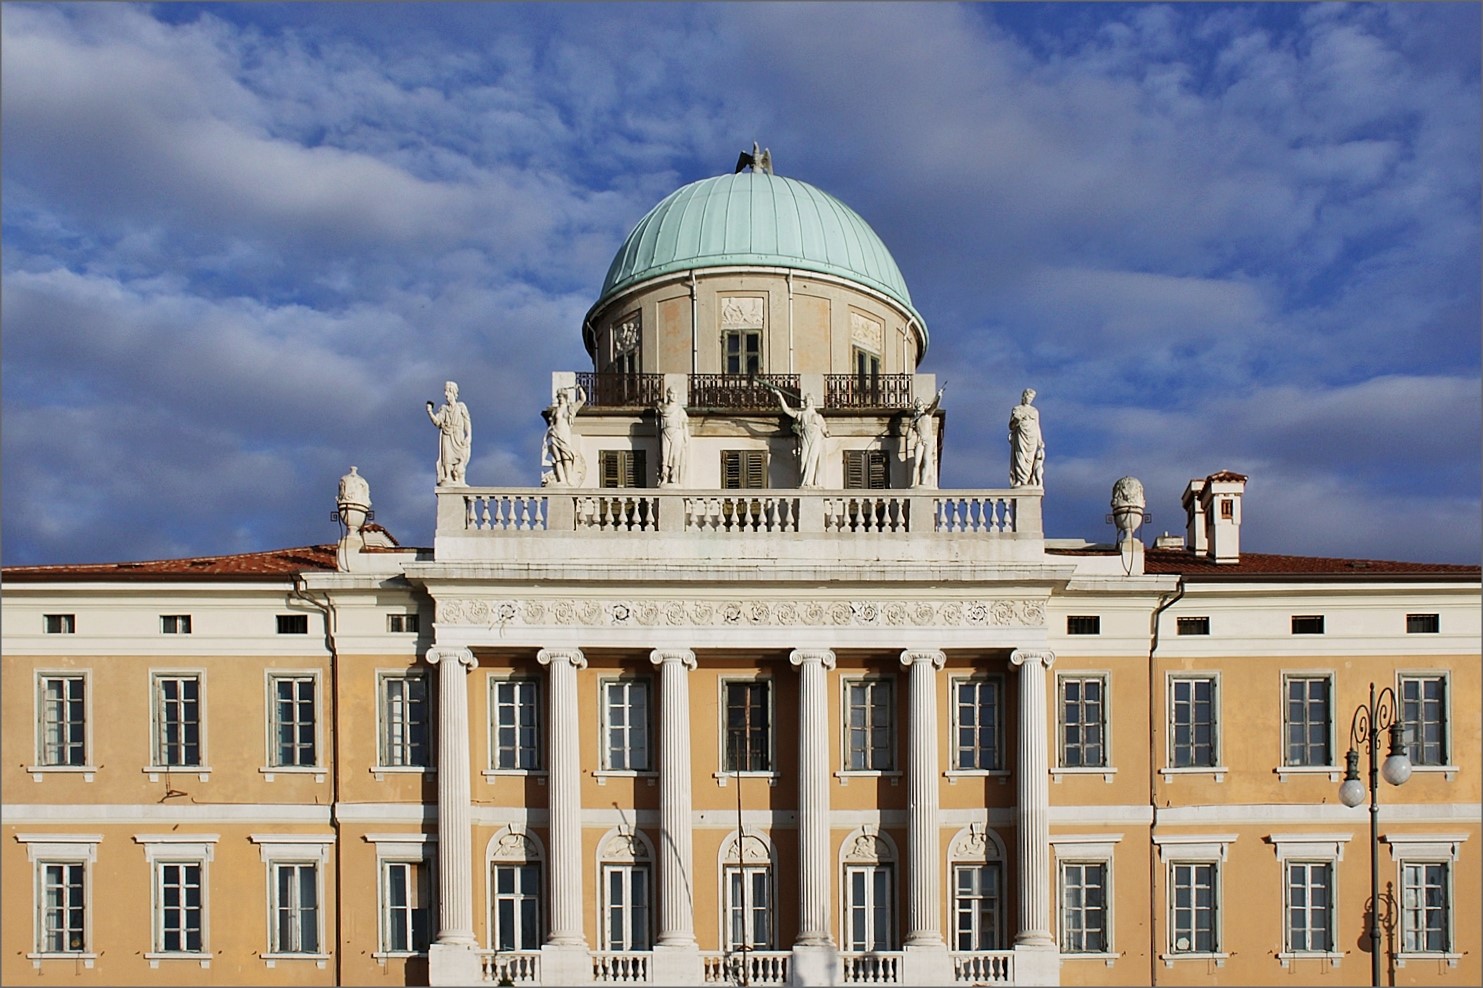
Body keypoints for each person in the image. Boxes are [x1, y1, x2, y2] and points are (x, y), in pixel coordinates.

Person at [771, 387, 828, 487]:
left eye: (809, 400)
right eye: (805, 400)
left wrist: (826, 433)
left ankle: (811, 482)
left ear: (812, 402)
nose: (807, 402)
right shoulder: (801, 415)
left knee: (813, 458)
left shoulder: (818, 416)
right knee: (803, 460)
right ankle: (804, 483)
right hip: (806, 438)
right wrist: (780, 395)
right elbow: (787, 410)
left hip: (816, 438)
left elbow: (823, 428)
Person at [425, 381, 471, 486]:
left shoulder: (461, 407)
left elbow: (467, 421)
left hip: (458, 435)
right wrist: (430, 412)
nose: (446, 394)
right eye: (445, 392)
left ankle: (459, 476)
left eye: (448, 392)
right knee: (447, 459)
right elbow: (438, 422)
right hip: (447, 435)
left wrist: (468, 435)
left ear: (453, 393)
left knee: (461, 457)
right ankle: (448, 477)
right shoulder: (444, 409)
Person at [544, 384, 587, 486]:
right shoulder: (555, 411)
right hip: (555, 434)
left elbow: (582, 400)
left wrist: (580, 389)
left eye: (561, 397)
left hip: (565, 434)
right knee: (557, 458)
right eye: (558, 397)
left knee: (566, 457)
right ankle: (561, 480)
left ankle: (569, 480)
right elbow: (552, 424)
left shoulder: (571, 408)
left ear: (565, 397)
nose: (559, 399)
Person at [907, 386, 946, 488]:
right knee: (916, 462)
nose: (919, 406)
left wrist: (939, 396)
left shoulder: (927, 415)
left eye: (920, 404)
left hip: (928, 440)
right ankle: (913, 483)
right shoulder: (914, 421)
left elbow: (934, 405)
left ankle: (923, 482)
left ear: (923, 406)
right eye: (917, 405)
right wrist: (910, 428)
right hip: (920, 440)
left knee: (926, 460)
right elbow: (908, 437)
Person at [1008, 387, 1044, 487]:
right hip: (1021, 434)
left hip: (1032, 436)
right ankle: (1020, 480)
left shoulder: (1034, 411)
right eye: (1028, 397)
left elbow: (1037, 425)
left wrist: (1040, 440)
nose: (1030, 399)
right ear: (1024, 397)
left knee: (1030, 459)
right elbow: (1011, 426)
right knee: (1020, 456)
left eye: (1032, 398)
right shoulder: (1017, 409)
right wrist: (1016, 420)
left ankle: (1027, 480)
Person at [656, 386, 689, 487]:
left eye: (676, 394)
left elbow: (684, 426)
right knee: (664, 456)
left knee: (676, 456)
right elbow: (658, 425)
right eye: (672, 394)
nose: (674, 396)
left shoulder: (680, 410)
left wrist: (686, 437)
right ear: (668, 394)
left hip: (677, 432)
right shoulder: (662, 409)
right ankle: (664, 477)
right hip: (665, 432)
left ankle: (674, 475)